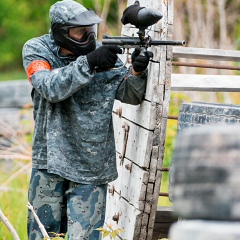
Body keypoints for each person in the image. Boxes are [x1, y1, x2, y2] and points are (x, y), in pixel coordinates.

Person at [22, 0, 152, 239]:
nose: (89, 36)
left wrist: (136, 72)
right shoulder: (37, 50)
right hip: (49, 164)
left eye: (91, 29)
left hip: (91, 168)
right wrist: (89, 63)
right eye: (80, 31)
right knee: (41, 235)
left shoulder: (104, 55)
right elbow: (49, 87)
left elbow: (129, 95)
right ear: (61, 31)